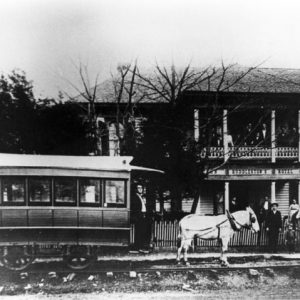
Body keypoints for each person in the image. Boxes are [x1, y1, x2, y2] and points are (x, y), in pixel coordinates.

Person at [131, 184, 151, 252]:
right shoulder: (135, 197)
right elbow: (135, 208)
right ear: (136, 189)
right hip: (139, 216)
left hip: (143, 215)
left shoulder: (141, 197)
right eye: (139, 188)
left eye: (141, 188)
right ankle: (138, 247)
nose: (140, 189)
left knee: (143, 231)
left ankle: (142, 246)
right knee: (139, 232)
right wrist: (138, 216)